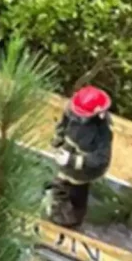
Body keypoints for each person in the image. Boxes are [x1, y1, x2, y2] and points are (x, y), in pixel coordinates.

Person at [49, 85, 113, 229]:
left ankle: (73, 218)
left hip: (83, 169)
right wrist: (57, 140)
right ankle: (57, 199)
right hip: (67, 154)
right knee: (61, 180)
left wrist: (72, 161)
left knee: (77, 193)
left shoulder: (103, 132)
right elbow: (63, 125)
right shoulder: (71, 110)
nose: (78, 118)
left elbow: (100, 160)